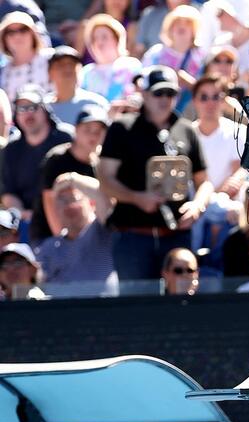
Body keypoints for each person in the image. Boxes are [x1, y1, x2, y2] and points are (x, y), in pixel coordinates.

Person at [97, 65, 213, 280]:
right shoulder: (122, 128)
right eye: (158, 92)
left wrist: (197, 205)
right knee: (135, 307)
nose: (164, 99)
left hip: (176, 236)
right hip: (133, 236)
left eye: (171, 93)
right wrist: (136, 198)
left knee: (180, 304)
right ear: (144, 94)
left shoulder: (186, 130)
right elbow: (104, 178)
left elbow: (203, 182)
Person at [190, 74, 246, 276]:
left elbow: (236, 174)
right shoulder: (186, 134)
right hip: (197, 204)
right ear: (195, 101)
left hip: (227, 204)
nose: (210, 103)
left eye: (216, 96)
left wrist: (214, 197)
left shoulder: (237, 131)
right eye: (204, 97)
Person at [1, 86, 74, 236]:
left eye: (33, 107)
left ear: (45, 110)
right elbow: (8, 193)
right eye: (21, 108)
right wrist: (21, 213)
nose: (28, 113)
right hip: (28, 222)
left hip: (68, 215)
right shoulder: (11, 149)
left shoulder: (66, 139)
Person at [36, 105, 109, 243]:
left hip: (86, 239)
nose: (93, 135)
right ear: (76, 130)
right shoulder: (57, 159)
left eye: (99, 131)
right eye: (87, 129)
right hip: (49, 238)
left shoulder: (101, 164)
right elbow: (50, 201)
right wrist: (62, 241)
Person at [34, 172, 114, 291]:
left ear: (92, 203)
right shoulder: (49, 248)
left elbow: (106, 197)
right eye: (62, 200)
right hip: (64, 308)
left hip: (103, 307)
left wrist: (73, 179)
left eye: (74, 198)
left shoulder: (103, 231)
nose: (69, 206)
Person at [140, 4, 204, 112]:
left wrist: (188, 82)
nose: (182, 26)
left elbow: (204, 90)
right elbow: (142, 79)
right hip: (154, 107)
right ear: (170, 28)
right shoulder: (156, 53)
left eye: (188, 23)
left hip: (185, 112)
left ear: (194, 31)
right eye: (177, 22)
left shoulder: (200, 58)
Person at [79, 14, 143, 103]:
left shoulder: (132, 66)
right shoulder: (85, 73)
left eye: (104, 37)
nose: (99, 43)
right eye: (94, 39)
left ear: (117, 40)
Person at [45, 45, 110, 126]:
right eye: (61, 65)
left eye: (72, 64)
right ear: (50, 72)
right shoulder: (43, 108)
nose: (67, 69)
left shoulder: (96, 103)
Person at [0, 11, 49, 101]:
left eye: (23, 30)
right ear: (4, 38)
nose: (17, 36)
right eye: (11, 32)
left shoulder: (51, 59)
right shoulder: (2, 71)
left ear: (33, 34)